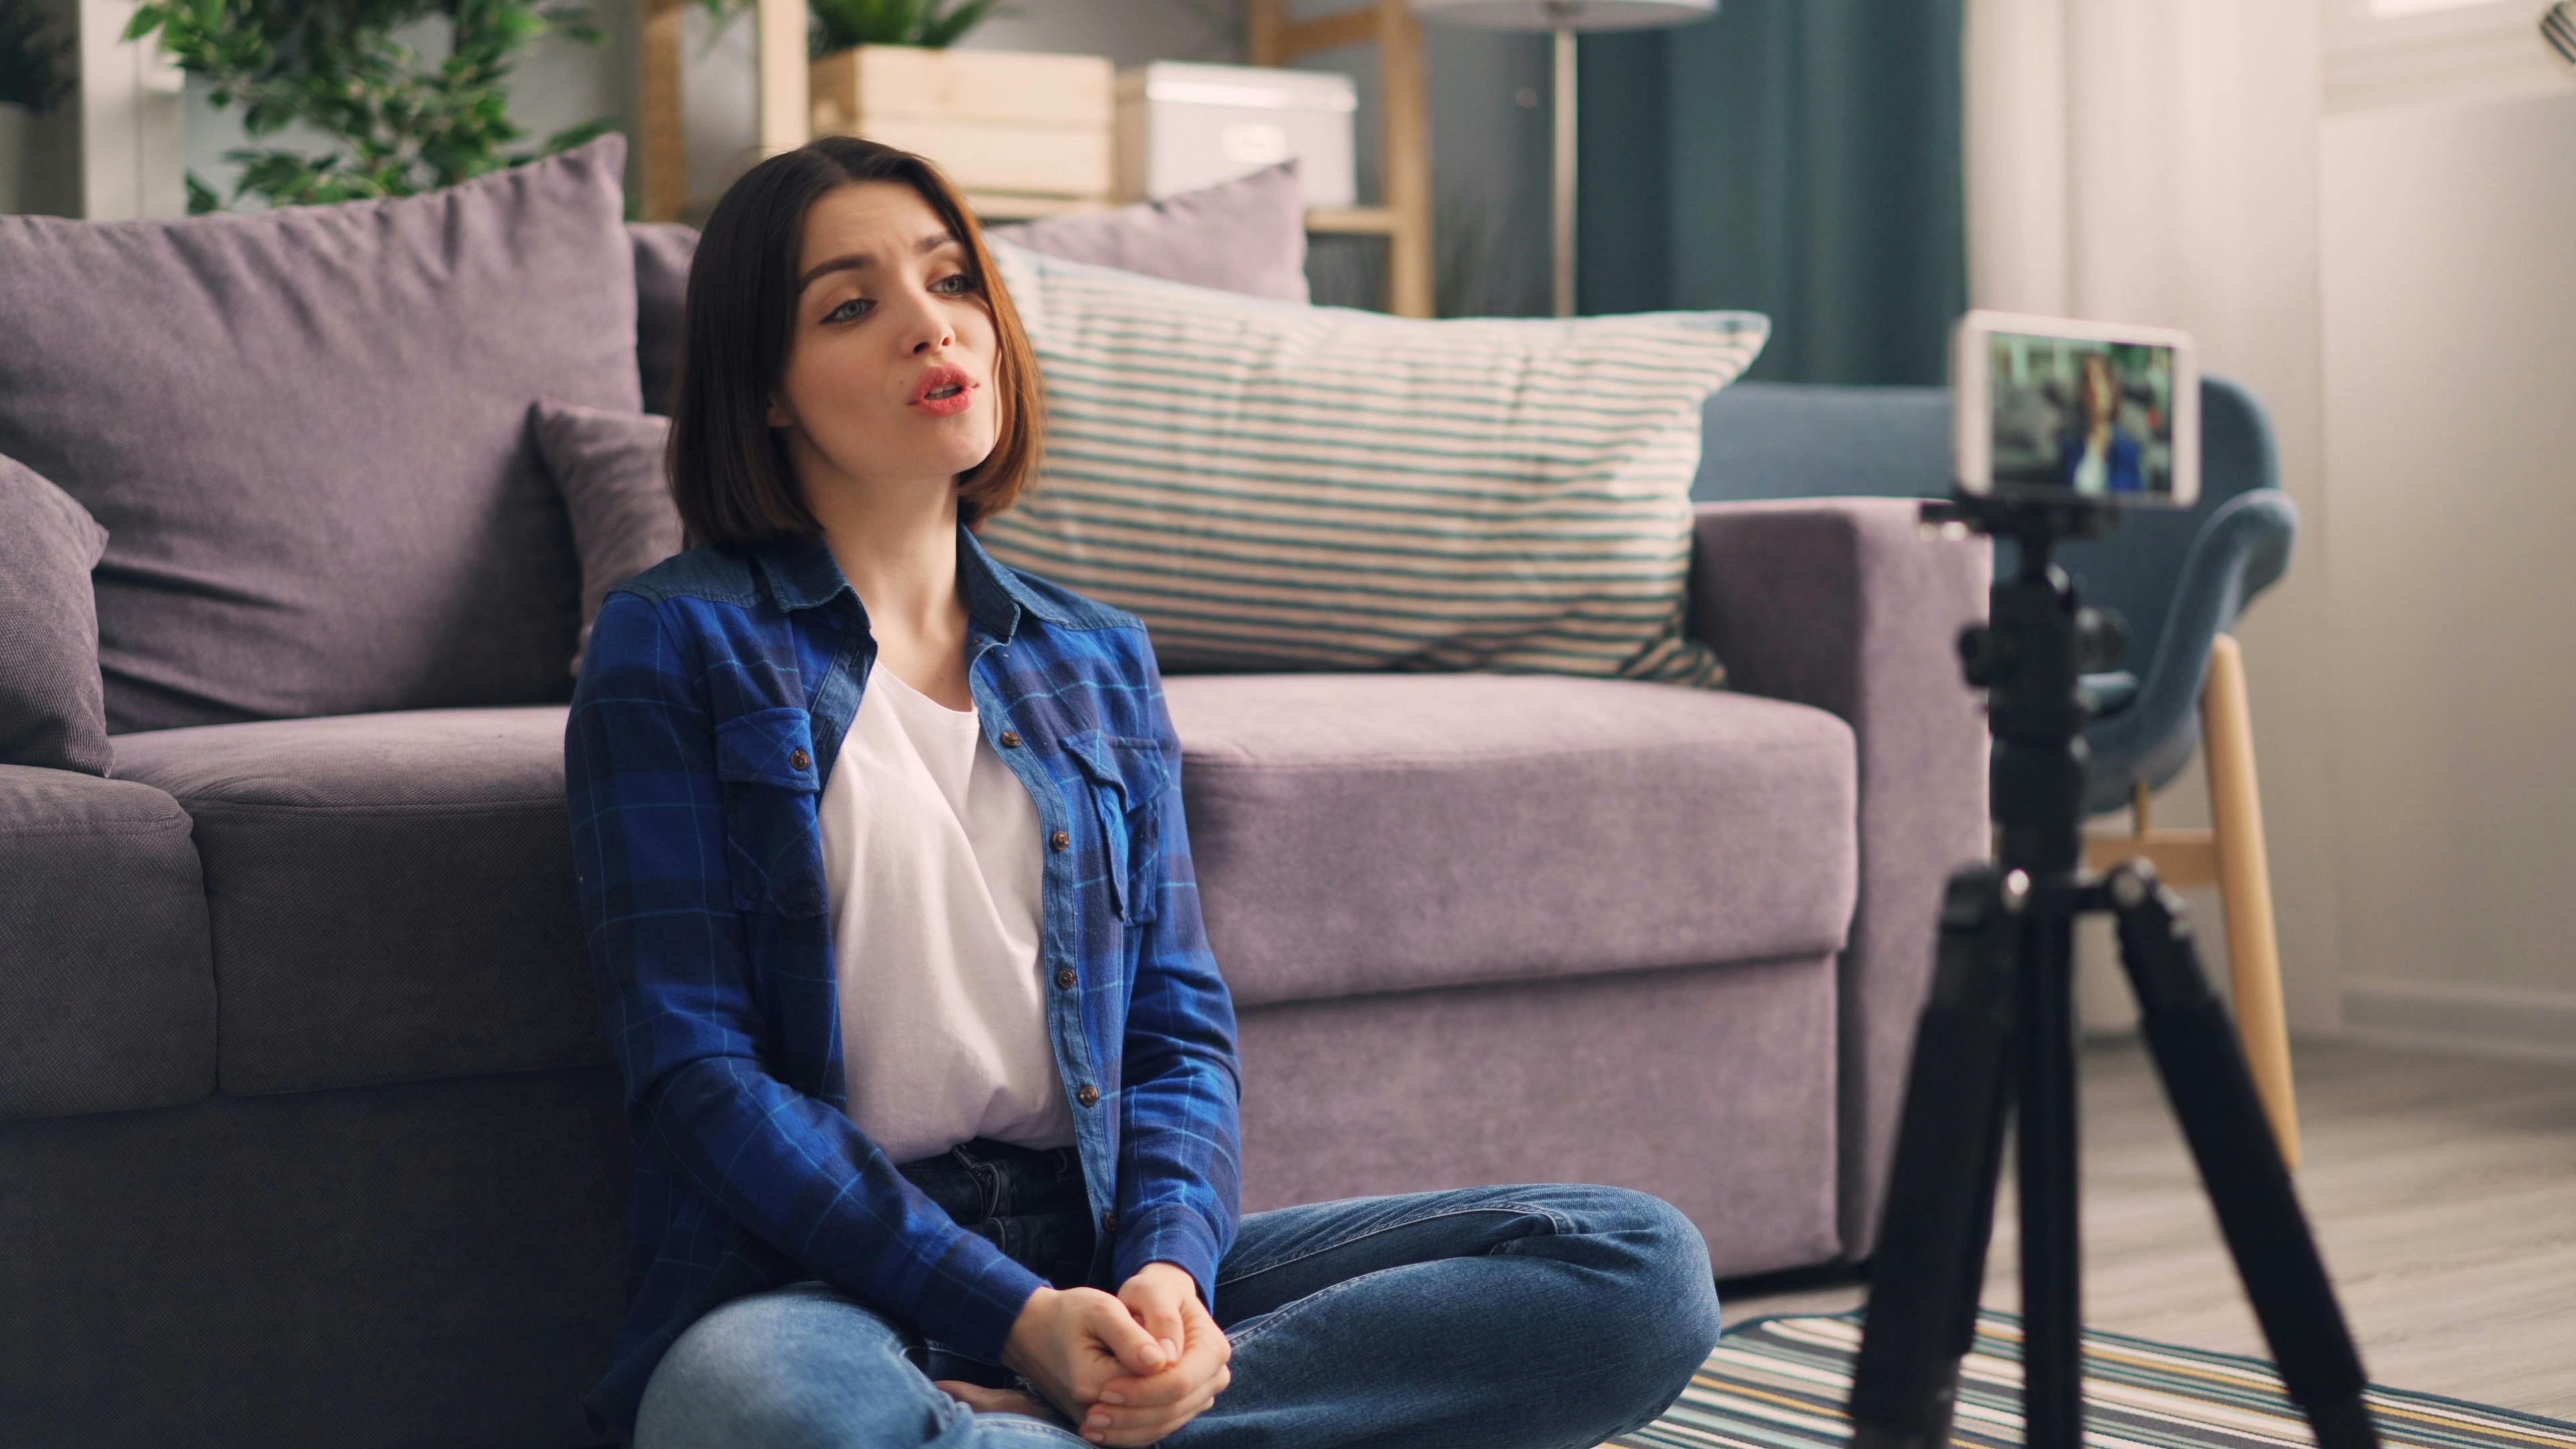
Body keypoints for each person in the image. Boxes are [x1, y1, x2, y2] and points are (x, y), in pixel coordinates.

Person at [564, 134, 1726, 1449]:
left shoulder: (1092, 654)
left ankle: (1066, 1427)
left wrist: (1167, 1284)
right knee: (756, 1412)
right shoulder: (676, 642)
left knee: (1635, 1269)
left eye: (954, 283)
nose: (929, 326)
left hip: (1101, 1246)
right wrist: (1013, 1317)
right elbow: (696, 1076)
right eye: (851, 304)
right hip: (823, 1281)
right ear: (764, 391)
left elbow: (1176, 1024)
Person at [2057, 350, 2147, 495]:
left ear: (2112, 388)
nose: (2093, 385)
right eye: (2088, 379)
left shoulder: (2129, 454)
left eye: (2100, 378)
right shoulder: (2068, 449)